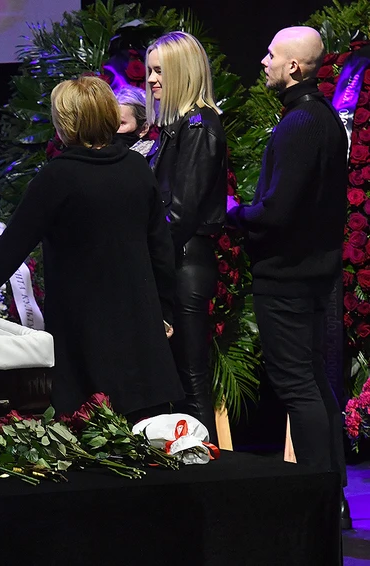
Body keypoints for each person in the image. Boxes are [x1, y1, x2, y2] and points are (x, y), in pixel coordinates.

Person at [0, 76, 184, 420]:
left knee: (91, 426)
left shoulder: (57, 177)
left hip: (82, 331)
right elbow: (160, 246)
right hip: (140, 326)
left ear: (65, 124)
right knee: (147, 431)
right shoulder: (136, 168)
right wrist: (165, 311)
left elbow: (12, 246)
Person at [226, 26, 350, 528]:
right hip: (312, 273)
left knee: (299, 384)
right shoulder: (320, 117)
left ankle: (318, 498)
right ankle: (331, 493)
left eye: (271, 54)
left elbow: (278, 212)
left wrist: (234, 211)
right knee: (313, 380)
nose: (264, 61)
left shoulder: (300, 123)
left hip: (289, 276)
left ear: (294, 66)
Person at [145, 31, 228, 444]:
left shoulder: (198, 127)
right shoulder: (178, 127)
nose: (151, 80)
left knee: (192, 375)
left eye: (160, 71)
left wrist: (146, 254)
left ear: (182, 72)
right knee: (181, 375)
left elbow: (181, 213)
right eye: (149, 71)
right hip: (177, 258)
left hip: (185, 262)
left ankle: (205, 464)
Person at [114, 86, 154, 156]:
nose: (112, 128)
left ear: (143, 129)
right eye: (110, 121)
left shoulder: (153, 156)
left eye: (121, 123)